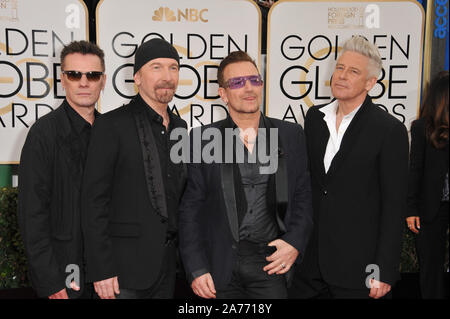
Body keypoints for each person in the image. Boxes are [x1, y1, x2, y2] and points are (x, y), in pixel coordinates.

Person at [178, 51, 313, 299]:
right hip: (220, 263)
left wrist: (294, 242)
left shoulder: (291, 134)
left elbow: (304, 196)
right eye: (237, 82)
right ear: (223, 93)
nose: (248, 88)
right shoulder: (202, 139)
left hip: (271, 262)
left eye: (254, 80)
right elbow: (190, 210)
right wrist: (196, 268)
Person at [291, 36, 409, 299]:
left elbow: (393, 207)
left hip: (360, 269)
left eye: (353, 71)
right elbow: (308, 187)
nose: (342, 76)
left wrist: (384, 270)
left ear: (370, 83)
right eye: (340, 68)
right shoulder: (314, 118)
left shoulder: (389, 130)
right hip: (309, 266)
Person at [81, 38, 187, 299]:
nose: (167, 76)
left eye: (173, 68)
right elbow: (93, 202)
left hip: (168, 268)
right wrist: (101, 269)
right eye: (156, 67)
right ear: (137, 77)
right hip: (121, 272)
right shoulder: (111, 125)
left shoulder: (180, 127)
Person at [17, 40, 106, 299]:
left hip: (107, 273)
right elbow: (32, 216)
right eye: (74, 74)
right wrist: (51, 282)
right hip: (65, 270)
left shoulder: (110, 132)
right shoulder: (43, 134)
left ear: (103, 80)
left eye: (92, 75)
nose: (84, 82)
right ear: (62, 79)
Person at [406, 71, 449, 299]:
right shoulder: (422, 127)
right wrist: (411, 209)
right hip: (431, 207)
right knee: (431, 268)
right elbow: (415, 171)